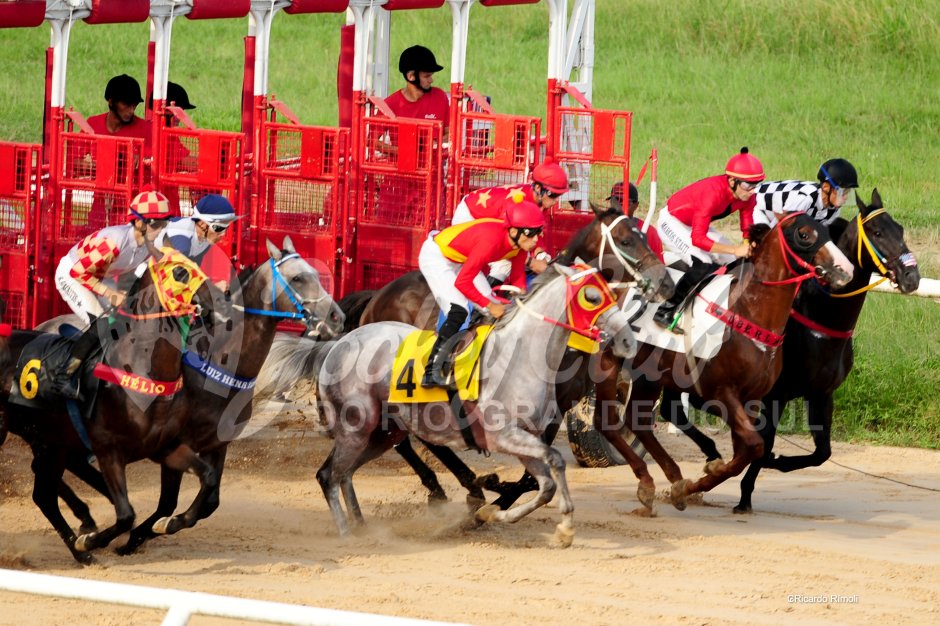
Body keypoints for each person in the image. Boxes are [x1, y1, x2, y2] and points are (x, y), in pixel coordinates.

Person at [51, 189, 177, 398]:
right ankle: (63, 377)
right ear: (139, 223)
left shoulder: (151, 243)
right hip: (73, 275)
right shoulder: (112, 243)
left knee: (122, 323)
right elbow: (78, 273)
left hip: (101, 275)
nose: (161, 230)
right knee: (101, 325)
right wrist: (110, 293)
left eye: (165, 223)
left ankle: (104, 371)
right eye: (156, 224)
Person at [417, 197, 545, 387]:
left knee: (498, 308)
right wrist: (490, 305)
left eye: (538, 232)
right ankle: (431, 371)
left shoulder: (519, 246)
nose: (535, 239)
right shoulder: (491, 242)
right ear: (513, 231)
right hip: (437, 257)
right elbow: (463, 282)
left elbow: (518, 279)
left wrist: (522, 301)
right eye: (531, 233)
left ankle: (475, 357)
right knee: (459, 310)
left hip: (461, 260)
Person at [653, 147, 765, 331]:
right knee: (702, 262)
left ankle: (726, 305)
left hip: (694, 224)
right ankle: (664, 311)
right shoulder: (712, 194)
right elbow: (698, 239)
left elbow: (747, 224)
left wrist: (748, 243)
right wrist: (735, 249)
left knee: (736, 261)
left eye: (757, 185)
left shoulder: (747, 195)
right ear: (732, 181)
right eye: (748, 185)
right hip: (671, 222)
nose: (752, 191)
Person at [450, 160, 569, 276]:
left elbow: (534, 232)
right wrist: (532, 263)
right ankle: (489, 290)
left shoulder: (540, 201)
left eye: (559, 195)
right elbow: (507, 240)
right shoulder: (517, 204)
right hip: (470, 216)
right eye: (553, 194)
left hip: (485, 216)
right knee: (504, 264)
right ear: (538, 188)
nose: (555, 200)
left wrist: (540, 254)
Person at [158, 193, 238, 289]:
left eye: (226, 228)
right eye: (219, 228)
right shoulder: (182, 241)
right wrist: (213, 288)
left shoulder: (205, 237)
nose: (223, 234)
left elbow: (194, 271)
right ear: (203, 224)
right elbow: (176, 281)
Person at [752, 158, 859, 227]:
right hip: (756, 204)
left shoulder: (834, 209)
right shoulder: (805, 198)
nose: (845, 197)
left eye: (848, 192)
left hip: (775, 215)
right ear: (826, 187)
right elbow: (777, 229)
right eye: (842, 192)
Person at [385, 45, 450, 142]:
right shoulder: (389, 104)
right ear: (411, 76)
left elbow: (451, 133)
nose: (431, 80)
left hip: (435, 152)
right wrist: (404, 149)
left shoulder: (440, 96)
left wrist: (432, 145)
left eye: (431, 75)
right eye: (427, 76)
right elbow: (372, 141)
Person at [86, 74, 152, 156]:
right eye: (126, 104)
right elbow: (75, 159)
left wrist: (141, 159)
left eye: (134, 105)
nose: (131, 111)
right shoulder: (91, 125)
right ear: (111, 101)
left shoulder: (146, 129)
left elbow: (154, 160)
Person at [608, 181, 664, 262]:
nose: (617, 206)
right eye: (614, 201)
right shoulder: (602, 228)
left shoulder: (650, 232)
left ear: (636, 205)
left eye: (623, 202)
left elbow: (659, 266)